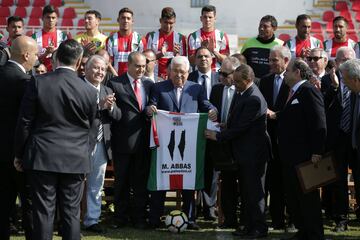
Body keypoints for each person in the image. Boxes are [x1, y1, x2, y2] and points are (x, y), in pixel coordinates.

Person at [14, 39, 97, 240]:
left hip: (42, 157)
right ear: (79, 63)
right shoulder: (89, 90)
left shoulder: (39, 82)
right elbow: (93, 128)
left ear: (56, 58)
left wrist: (19, 153)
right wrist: (86, 155)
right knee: (70, 213)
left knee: (43, 213)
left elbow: (25, 122)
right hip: (76, 159)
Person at [147, 56, 217, 230]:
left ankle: (190, 219)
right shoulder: (158, 87)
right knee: (161, 178)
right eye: (175, 71)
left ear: (188, 72)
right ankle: (155, 218)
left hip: (188, 143)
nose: (179, 75)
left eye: (183, 72)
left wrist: (212, 110)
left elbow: (205, 105)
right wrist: (150, 110)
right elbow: (151, 106)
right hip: (164, 144)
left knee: (188, 180)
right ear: (169, 71)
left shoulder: (196, 89)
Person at [205, 64, 269, 238]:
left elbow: (242, 128)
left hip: (253, 154)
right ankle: (248, 225)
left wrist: (217, 136)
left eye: (238, 81)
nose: (234, 84)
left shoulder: (254, 98)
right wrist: (226, 125)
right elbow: (239, 120)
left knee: (255, 192)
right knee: (247, 192)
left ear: (248, 80)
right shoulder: (245, 92)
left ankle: (259, 227)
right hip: (244, 153)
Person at [276, 58, 326, 240]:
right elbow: (295, 117)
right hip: (290, 156)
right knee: (295, 196)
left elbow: (319, 122)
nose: (285, 74)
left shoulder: (308, 91)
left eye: (288, 70)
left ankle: (314, 233)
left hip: (305, 156)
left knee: (308, 198)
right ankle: (304, 231)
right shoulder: (294, 92)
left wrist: (317, 151)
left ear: (297, 72)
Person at [108, 52, 153, 229]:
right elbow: (114, 113)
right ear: (128, 65)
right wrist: (111, 108)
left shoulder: (149, 84)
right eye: (137, 66)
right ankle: (120, 218)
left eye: (143, 66)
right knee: (122, 183)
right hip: (123, 143)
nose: (141, 69)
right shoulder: (115, 83)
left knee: (140, 183)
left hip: (144, 142)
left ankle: (139, 217)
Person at [0, 35, 38, 240]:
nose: (36, 58)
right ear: (26, 55)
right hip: (21, 155)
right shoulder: (26, 81)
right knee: (29, 205)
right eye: (35, 54)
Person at [83, 55, 122, 233]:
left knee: (96, 184)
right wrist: (99, 106)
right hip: (79, 144)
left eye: (103, 69)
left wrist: (111, 107)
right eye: (96, 68)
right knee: (74, 185)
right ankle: (70, 218)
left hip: (101, 144)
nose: (99, 72)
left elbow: (118, 116)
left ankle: (92, 220)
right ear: (86, 69)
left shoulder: (107, 89)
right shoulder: (78, 87)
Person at [325, 52, 360, 229]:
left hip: (354, 138)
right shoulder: (327, 81)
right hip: (337, 138)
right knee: (338, 179)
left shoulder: (356, 82)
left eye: (348, 59)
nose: (345, 63)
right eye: (342, 60)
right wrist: (334, 87)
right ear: (336, 62)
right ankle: (341, 218)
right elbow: (323, 106)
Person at [259, 45, 291, 230]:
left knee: (290, 182)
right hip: (270, 141)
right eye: (270, 60)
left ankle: (292, 219)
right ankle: (277, 220)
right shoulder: (265, 81)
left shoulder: (294, 80)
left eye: (274, 60)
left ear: (286, 61)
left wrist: (276, 115)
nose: (270, 63)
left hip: (288, 140)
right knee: (274, 182)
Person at [208, 56, 240, 228]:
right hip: (222, 144)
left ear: (235, 74)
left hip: (240, 144)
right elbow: (212, 109)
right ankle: (229, 219)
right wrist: (212, 112)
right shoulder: (217, 89)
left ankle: (245, 218)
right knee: (226, 183)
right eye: (220, 72)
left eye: (225, 74)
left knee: (244, 184)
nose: (221, 77)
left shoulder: (247, 89)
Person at [188, 46, 218, 220]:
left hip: (214, 131)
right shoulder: (188, 78)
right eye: (199, 56)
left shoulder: (219, 79)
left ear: (212, 58)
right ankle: (193, 207)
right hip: (192, 131)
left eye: (206, 56)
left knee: (211, 170)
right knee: (193, 168)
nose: (203, 59)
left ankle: (209, 207)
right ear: (195, 59)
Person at [339, 59, 360, 222]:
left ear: (355, 80)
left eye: (345, 79)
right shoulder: (353, 96)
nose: (343, 83)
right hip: (355, 155)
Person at [145, 7, 187, 81]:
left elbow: (184, 63)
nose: (168, 26)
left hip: (173, 78)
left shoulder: (181, 38)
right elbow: (146, 60)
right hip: (154, 77)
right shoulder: (151, 36)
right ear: (160, 21)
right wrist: (160, 54)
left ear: (174, 21)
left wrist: (176, 55)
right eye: (166, 22)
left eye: (171, 23)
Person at [187, 5, 229, 71]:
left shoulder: (222, 36)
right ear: (201, 18)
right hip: (198, 73)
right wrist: (201, 49)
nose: (207, 20)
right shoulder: (193, 36)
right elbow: (191, 61)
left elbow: (226, 61)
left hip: (216, 73)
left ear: (215, 18)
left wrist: (214, 51)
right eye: (205, 17)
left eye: (210, 17)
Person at [241, 15, 283, 79]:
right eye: (260, 26)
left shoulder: (280, 45)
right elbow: (241, 63)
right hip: (252, 83)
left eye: (265, 26)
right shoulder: (248, 43)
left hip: (272, 84)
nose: (261, 29)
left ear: (274, 28)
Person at [106, 7, 145, 76]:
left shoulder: (140, 39)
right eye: (123, 18)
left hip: (134, 78)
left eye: (128, 18)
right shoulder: (111, 39)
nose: (125, 20)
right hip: (116, 78)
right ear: (118, 20)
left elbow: (143, 62)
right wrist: (116, 77)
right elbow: (109, 63)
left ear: (132, 21)